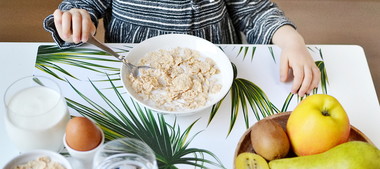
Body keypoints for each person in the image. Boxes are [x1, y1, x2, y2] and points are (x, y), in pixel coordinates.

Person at [44, 0, 320, 97]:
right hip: (135, 76)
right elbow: (81, 6)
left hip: (215, 76)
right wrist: (75, 18)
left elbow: (256, 11)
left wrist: (291, 42)